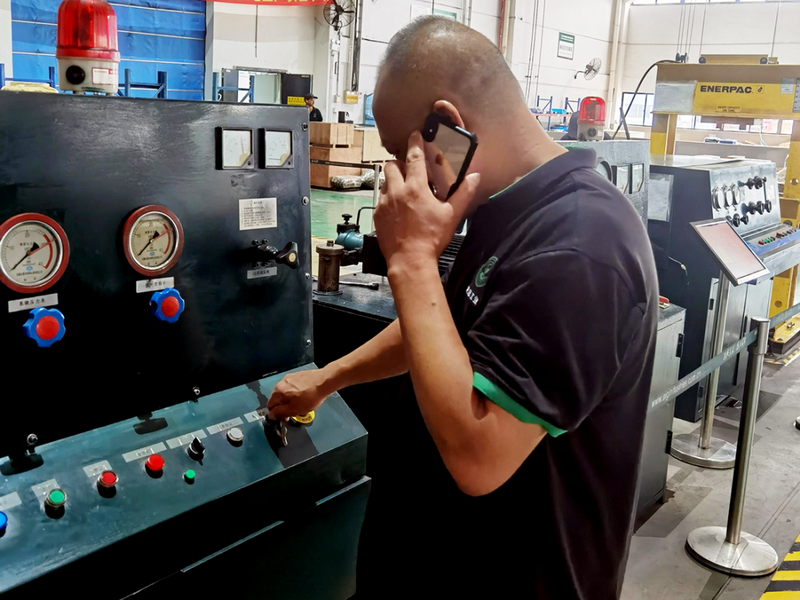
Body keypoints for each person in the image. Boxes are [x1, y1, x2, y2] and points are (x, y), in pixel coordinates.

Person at [269, 16, 658, 600]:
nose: (399, 177)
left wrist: (411, 260)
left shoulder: (579, 246)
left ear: (446, 125)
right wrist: (328, 380)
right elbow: (441, 327)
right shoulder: (506, 209)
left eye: (401, 155)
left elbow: (480, 458)